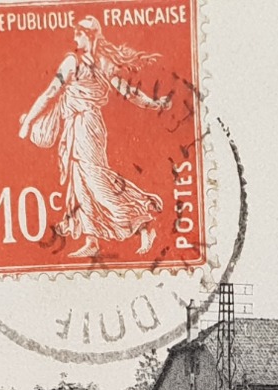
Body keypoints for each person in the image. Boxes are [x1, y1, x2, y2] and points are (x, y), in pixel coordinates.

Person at [17, 15, 171, 259]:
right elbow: (127, 92)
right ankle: (92, 240)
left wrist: (28, 122)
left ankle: (143, 222)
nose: (74, 38)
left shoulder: (78, 62)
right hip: (79, 125)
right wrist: (153, 103)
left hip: (86, 125)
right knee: (80, 183)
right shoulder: (97, 62)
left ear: (89, 35)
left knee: (96, 180)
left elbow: (50, 94)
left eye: (78, 34)